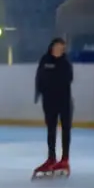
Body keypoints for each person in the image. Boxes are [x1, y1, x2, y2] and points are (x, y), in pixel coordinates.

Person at [33, 38, 73, 178]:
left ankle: (65, 159)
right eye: (57, 47)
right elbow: (39, 77)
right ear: (52, 47)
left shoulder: (65, 63)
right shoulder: (45, 60)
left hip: (64, 101)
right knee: (51, 129)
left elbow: (68, 79)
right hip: (49, 101)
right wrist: (39, 92)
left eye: (62, 48)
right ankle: (51, 158)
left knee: (66, 128)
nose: (59, 50)